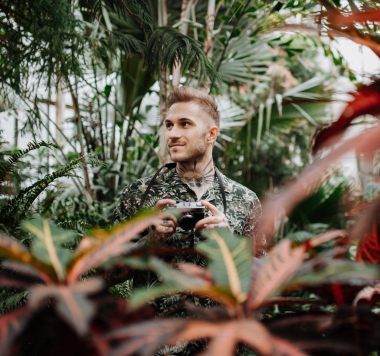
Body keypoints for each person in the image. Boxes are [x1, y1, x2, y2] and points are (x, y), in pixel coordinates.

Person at [104, 86, 262, 288]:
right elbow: (105, 275)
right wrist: (149, 243)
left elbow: (262, 280)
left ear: (211, 134)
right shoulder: (139, 194)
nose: (172, 134)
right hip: (152, 319)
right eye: (169, 125)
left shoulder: (246, 200)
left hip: (216, 320)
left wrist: (229, 247)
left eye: (185, 124)